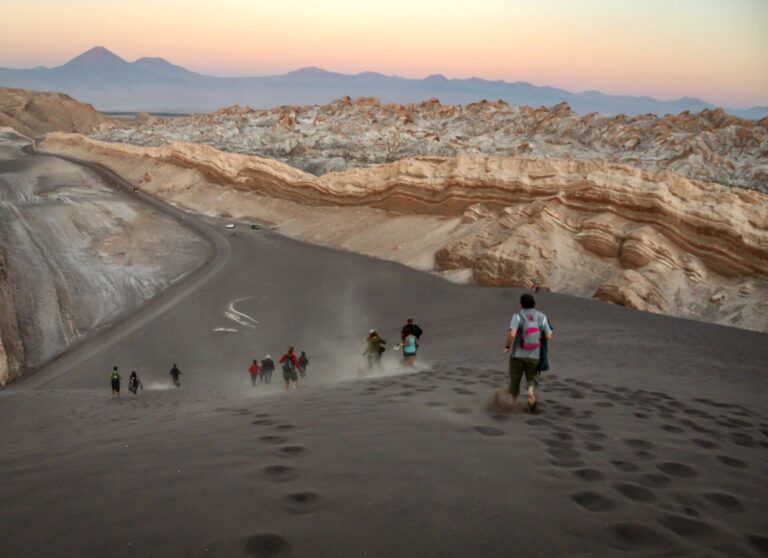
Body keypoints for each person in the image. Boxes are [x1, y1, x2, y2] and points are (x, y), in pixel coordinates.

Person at [504, 294, 553, 412]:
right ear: (534, 303)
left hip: (518, 355)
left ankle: (514, 401)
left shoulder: (517, 316)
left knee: (515, 378)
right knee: (532, 376)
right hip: (534, 355)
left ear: (521, 304)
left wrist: (507, 346)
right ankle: (531, 392)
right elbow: (549, 336)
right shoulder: (542, 316)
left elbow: (512, 335)